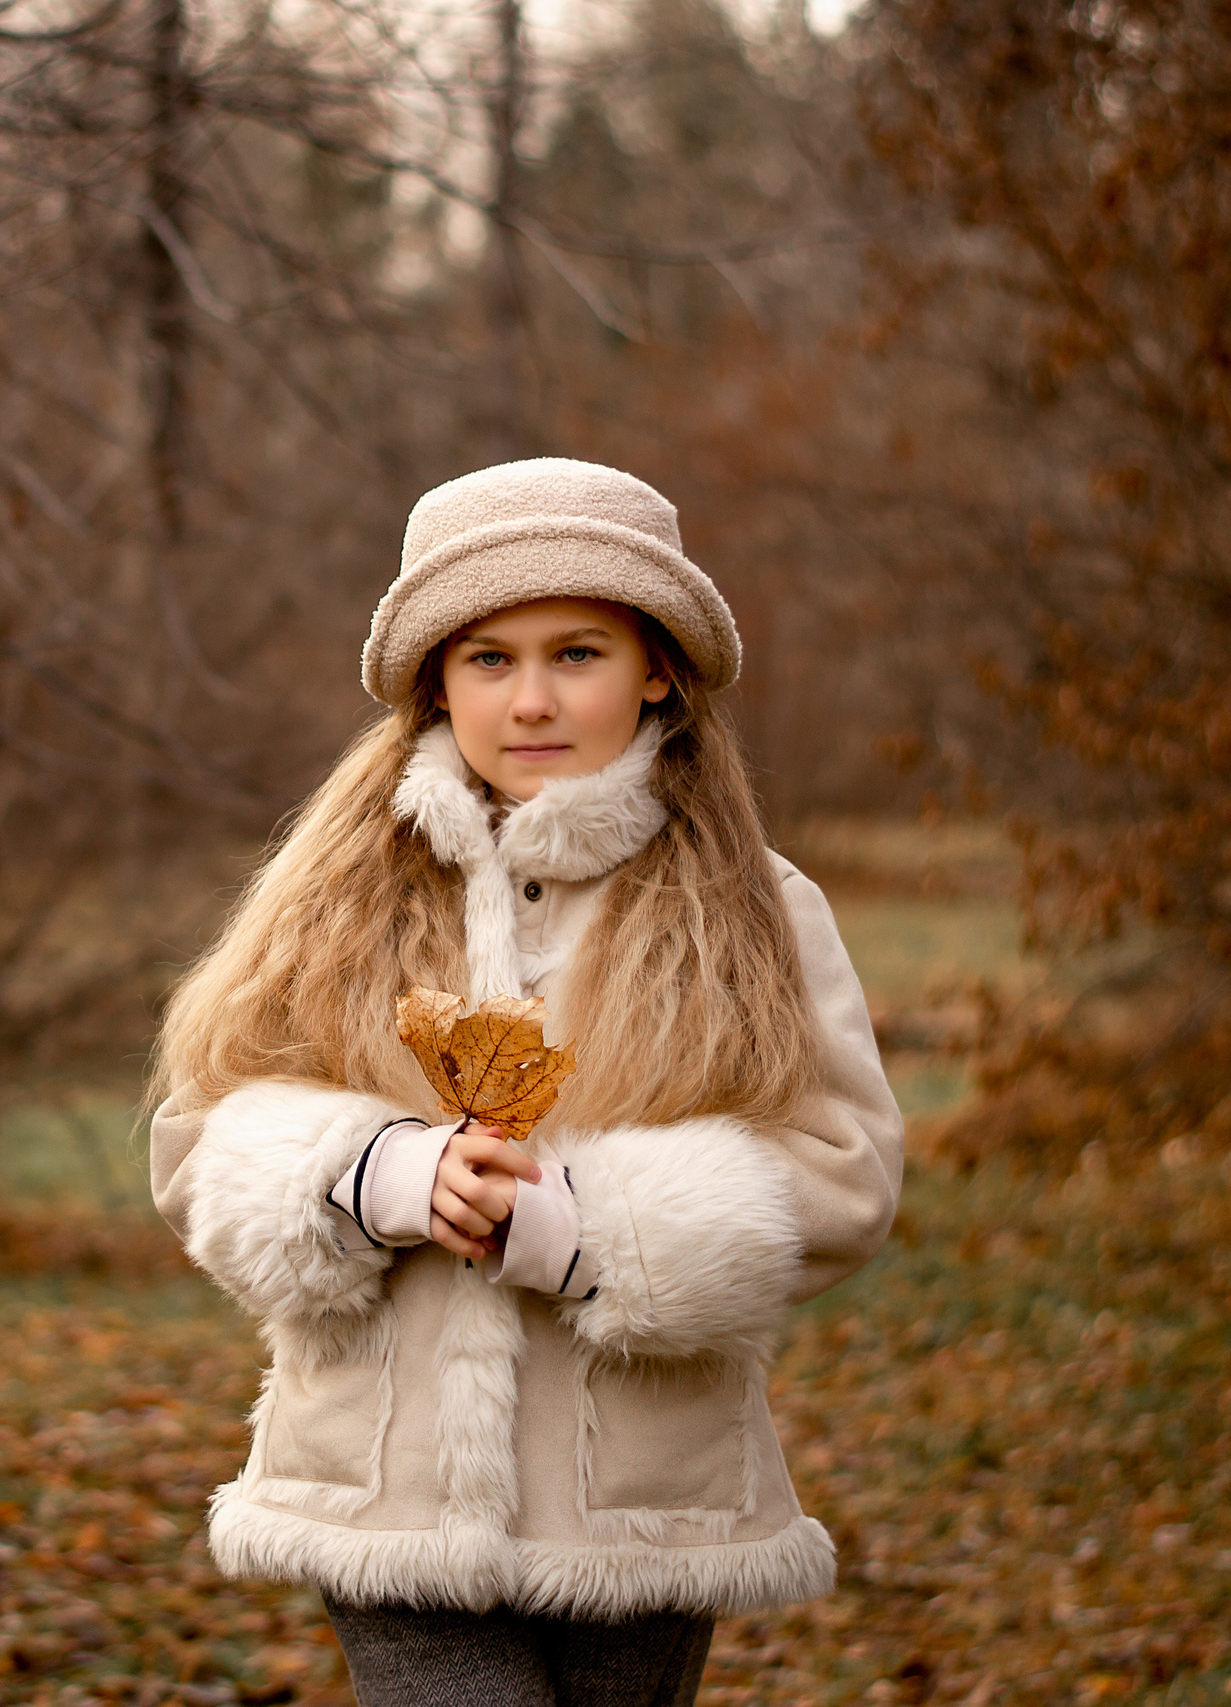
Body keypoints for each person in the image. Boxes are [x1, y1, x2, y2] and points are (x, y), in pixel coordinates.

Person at [147, 459, 904, 1707]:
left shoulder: (757, 907)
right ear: (437, 679)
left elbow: (846, 1176)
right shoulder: (336, 895)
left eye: (578, 653)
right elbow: (195, 1140)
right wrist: (375, 1174)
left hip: (642, 1499)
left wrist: (582, 1227)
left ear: (655, 666)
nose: (532, 699)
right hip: (383, 1489)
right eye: (489, 658)